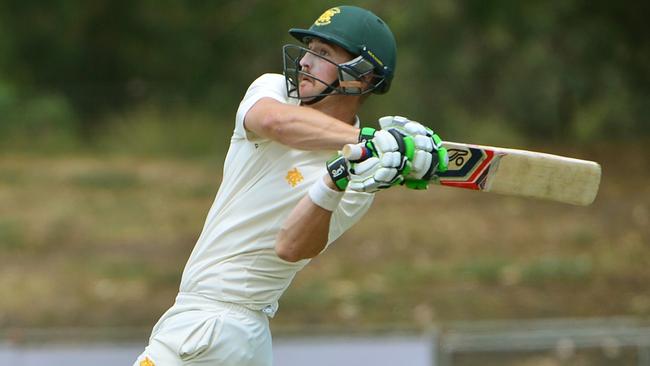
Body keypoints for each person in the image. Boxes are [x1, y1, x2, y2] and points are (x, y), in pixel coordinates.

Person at [133, 5, 447, 366]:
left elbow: (291, 246)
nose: (304, 63)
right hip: (236, 338)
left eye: (323, 53)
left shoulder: (364, 176)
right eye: (309, 49)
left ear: (361, 76)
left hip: (210, 326)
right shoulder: (275, 91)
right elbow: (276, 124)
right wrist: (366, 141)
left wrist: (335, 178)